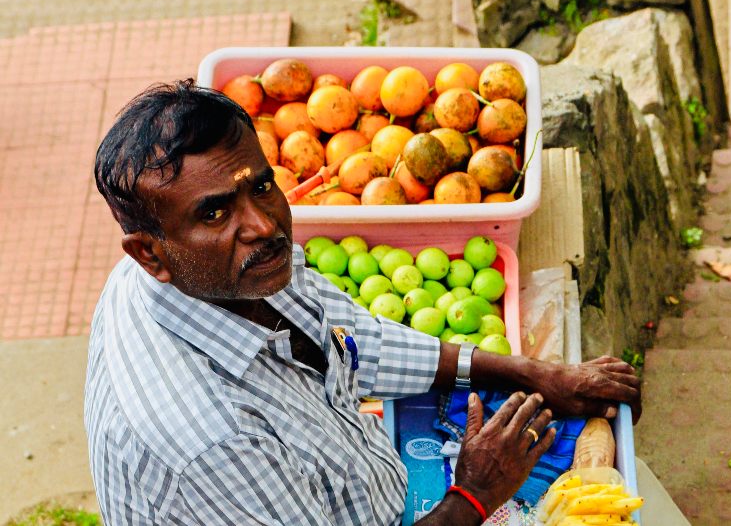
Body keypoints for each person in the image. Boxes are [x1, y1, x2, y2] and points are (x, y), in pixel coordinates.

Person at [84, 79, 641, 525]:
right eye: (213, 214)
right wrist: (475, 494)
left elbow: (353, 337)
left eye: (259, 186)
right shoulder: (210, 443)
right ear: (149, 255)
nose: (264, 225)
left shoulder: (233, 272)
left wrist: (529, 372)